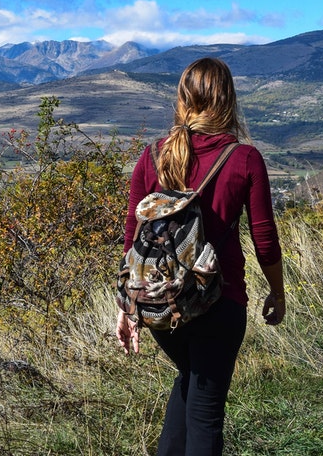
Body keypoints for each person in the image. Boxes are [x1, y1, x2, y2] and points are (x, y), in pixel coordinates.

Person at [116, 56, 286, 456]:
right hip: (218, 302)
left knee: (189, 385)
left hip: (160, 304)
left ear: (182, 99)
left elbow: (133, 234)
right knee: (206, 418)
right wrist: (277, 293)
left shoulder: (153, 155)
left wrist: (127, 306)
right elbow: (265, 239)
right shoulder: (243, 158)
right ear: (228, 100)